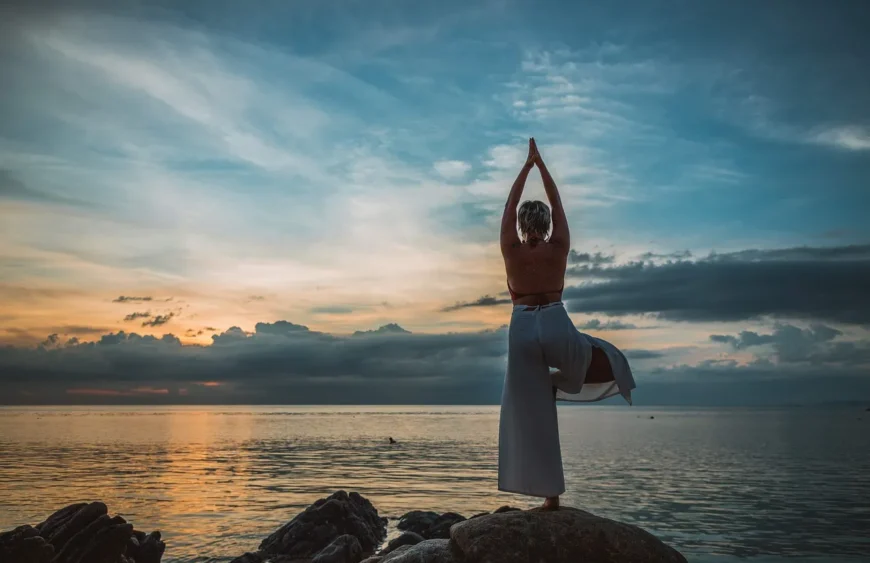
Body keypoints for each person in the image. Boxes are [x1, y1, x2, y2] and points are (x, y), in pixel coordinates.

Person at [497, 138, 636, 511]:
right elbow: (557, 204)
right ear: (545, 223)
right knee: (589, 358)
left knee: (531, 409)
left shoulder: (511, 249)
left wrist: (524, 167)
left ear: (523, 224)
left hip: (523, 326)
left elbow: (509, 207)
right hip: (556, 321)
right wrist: (541, 166)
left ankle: (548, 492)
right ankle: (564, 383)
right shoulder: (557, 246)